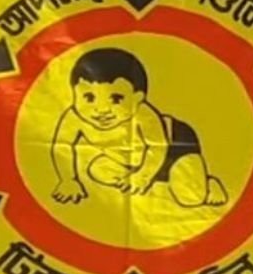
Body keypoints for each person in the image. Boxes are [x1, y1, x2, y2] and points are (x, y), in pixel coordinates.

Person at [49, 46, 228, 208]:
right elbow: (62, 146)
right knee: (97, 169)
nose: (102, 109)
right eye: (89, 98)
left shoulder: (145, 114)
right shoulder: (73, 117)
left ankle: (207, 183)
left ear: (137, 98)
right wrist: (68, 180)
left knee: (191, 199)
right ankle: (157, 179)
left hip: (175, 148)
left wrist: (143, 176)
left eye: (116, 99)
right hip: (133, 160)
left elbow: (158, 147)